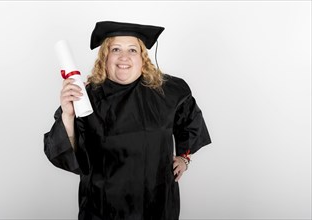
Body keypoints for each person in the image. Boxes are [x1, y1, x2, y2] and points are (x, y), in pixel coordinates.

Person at [44, 21, 211, 220]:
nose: (124, 57)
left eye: (132, 50)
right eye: (116, 49)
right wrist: (68, 115)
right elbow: (65, 156)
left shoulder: (168, 91)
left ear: (142, 58)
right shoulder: (85, 98)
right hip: (103, 207)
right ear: (105, 57)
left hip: (156, 203)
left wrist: (184, 158)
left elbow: (190, 122)